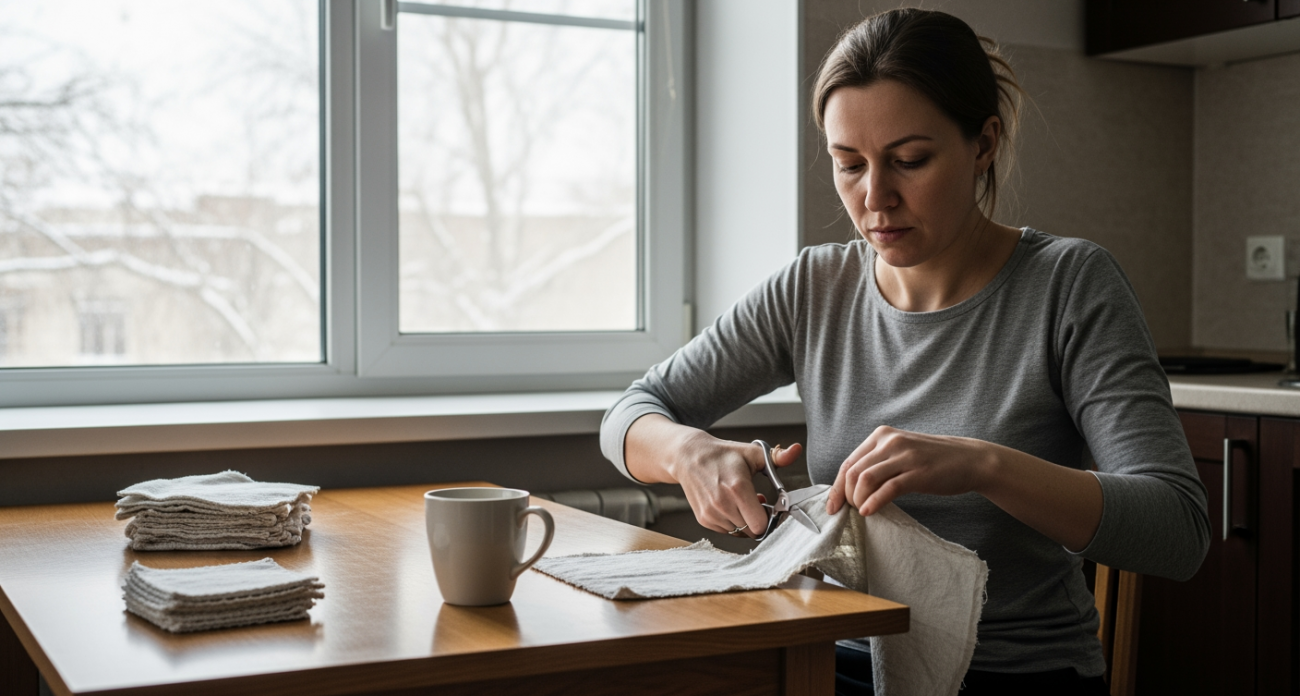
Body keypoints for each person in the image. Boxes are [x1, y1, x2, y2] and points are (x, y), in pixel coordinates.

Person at [599, 8, 1209, 696]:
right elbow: (629, 414)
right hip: (829, 657)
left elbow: (1178, 530)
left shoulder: (1070, 285)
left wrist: (982, 465)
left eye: (909, 161)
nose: (874, 198)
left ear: (983, 144)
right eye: (847, 164)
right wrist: (687, 454)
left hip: (1013, 673)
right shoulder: (813, 287)